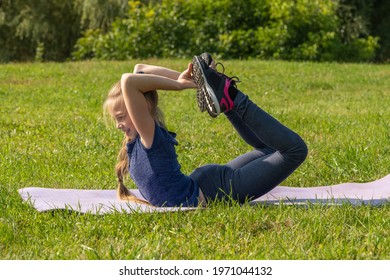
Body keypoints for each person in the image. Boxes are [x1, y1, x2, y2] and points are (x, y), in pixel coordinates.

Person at [103, 53, 308, 207]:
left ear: (141, 108)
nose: (118, 124)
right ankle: (225, 98)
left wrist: (180, 84)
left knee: (295, 150)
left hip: (217, 190)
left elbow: (129, 79)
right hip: (206, 184)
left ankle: (230, 97)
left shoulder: (149, 137)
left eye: (121, 117)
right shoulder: (138, 140)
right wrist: (195, 84)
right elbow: (139, 69)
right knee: (270, 148)